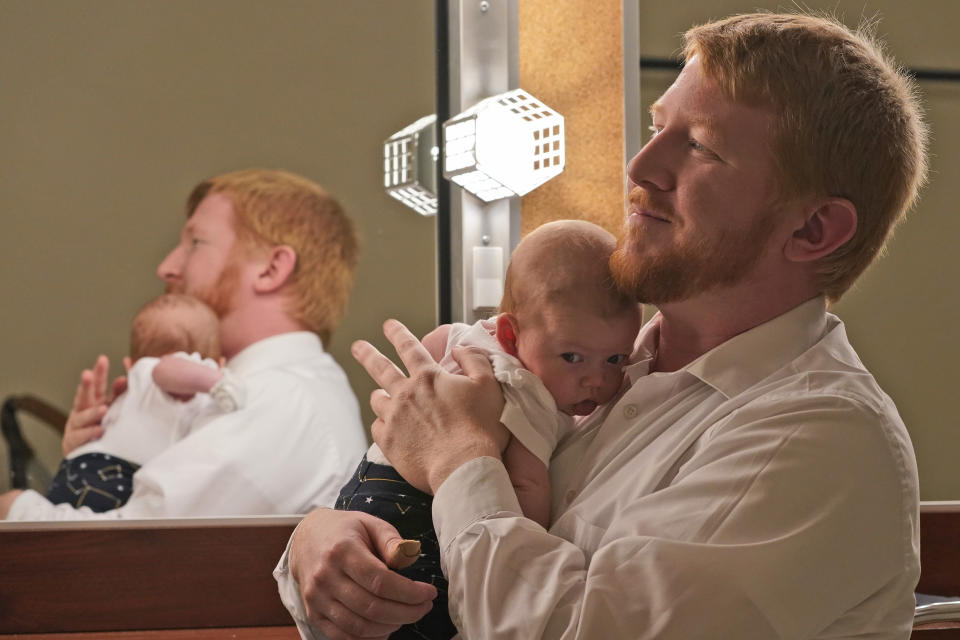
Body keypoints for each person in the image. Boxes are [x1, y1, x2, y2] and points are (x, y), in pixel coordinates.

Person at [276, 11, 929, 640]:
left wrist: (455, 460)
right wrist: (327, 541)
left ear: (813, 229)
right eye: (656, 127)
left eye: (699, 146)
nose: (641, 168)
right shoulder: (588, 373)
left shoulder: (820, 435)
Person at [0, 168, 369, 520]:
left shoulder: (278, 399)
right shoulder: (264, 396)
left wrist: (15, 511)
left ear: (271, 269)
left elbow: (128, 548)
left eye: (195, 242)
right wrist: (97, 458)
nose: (167, 267)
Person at [334, 220, 640, 639]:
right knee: (415, 613)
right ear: (512, 337)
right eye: (573, 357)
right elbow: (527, 489)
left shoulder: (470, 336)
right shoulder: (531, 396)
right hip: (418, 515)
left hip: (367, 481)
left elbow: (436, 344)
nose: (596, 381)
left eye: (616, 359)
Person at [44, 293, 243, 512]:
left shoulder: (135, 389)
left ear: (128, 365)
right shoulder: (175, 370)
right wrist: (217, 381)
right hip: (115, 475)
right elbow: (165, 370)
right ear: (220, 362)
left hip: (76, 469)